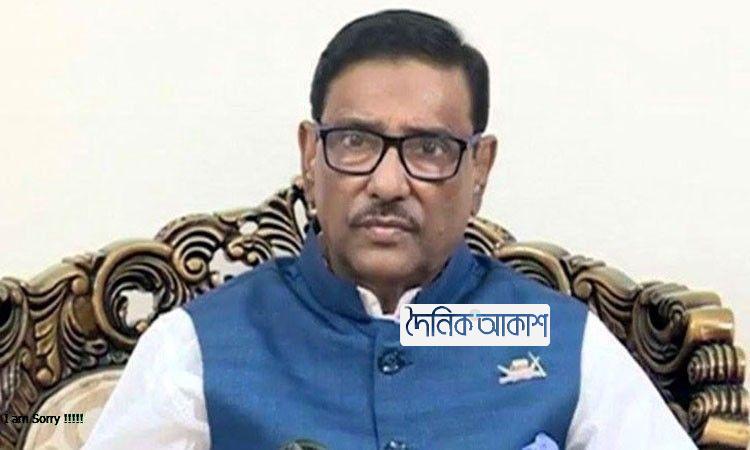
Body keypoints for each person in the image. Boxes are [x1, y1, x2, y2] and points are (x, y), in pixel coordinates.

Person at [84, 9, 697, 450]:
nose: (387, 183)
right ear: (310, 156)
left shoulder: (558, 339)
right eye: (355, 141)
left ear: (479, 169)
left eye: (428, 148)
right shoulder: (199, 348)